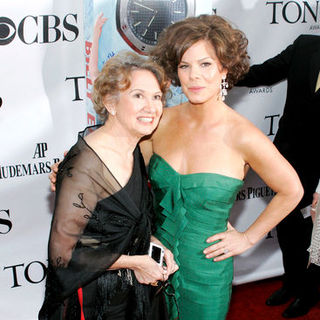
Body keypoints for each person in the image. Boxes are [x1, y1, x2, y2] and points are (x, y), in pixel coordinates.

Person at [50, 14, 303, 320]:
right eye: (185, 65)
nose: (194, 76)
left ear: (225, 67)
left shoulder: (244, 136)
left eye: (206, 64)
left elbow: (292, 189)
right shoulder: (160, 121)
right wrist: (77, 177)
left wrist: (248, 238)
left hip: (207, 271)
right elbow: (123, 171)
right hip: (153, 261)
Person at [39, 51, 178, 320]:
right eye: (138, 95)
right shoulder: (84, 166)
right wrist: (135, 263)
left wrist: (153, 243)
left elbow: (130, 221)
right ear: (110, 103)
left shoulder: (132, 147)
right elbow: (63, 256)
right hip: (93, 300)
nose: (151, 107)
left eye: (156, 97)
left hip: (129, 292)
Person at [236, 34, 320, 318]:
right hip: (287, 157)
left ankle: (308, 293)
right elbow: (263, 72)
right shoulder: (306, 45)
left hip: (319, 169)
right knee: (286, 224)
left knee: (312, 233)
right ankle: (291, 283)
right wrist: (220, 73)